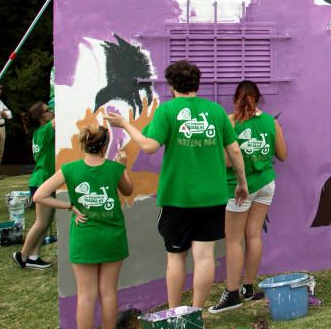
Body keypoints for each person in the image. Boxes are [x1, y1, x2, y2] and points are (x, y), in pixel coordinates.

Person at [106, 61, 248, 311]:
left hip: (177, 197)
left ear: (171, 85)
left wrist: (125, 124)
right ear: (197, 83)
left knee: (176, 257)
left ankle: (175, 313)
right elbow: (235, 150)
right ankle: (196, 314)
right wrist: (241, 183)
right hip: (212, 196)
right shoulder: (215, 111)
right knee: (205, 257)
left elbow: (149, 146)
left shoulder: (167, 111)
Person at [34, 126, 133, 329]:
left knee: (85, 296)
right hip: (112, 237)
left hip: (84, 239)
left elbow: (39, 195)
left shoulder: (69, 169)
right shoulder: (115, 168)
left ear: (84, 144)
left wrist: (69, 206)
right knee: (108, 292)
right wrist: (124, 165)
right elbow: (128, 191)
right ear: (105, 146)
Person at [209, 81, 288, 314]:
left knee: (234, 240)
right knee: (253, 234)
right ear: (259, 98)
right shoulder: (271, 122)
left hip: (238, 188)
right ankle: (248, 288)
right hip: (266, 184)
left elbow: (225, 161)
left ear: (235, 99)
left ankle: (232, 293)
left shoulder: (229, 122)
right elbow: (282, 155)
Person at [13, 101, 55, 270]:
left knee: (46, 221)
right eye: (47, 110)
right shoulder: (44, 131)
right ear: (40, 117)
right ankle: (22, 255)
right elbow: (62, 118)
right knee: (41, 221)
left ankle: (34, 256)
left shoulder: (39, 132)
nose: (51, 111)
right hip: (42, 181)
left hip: (44, 180)